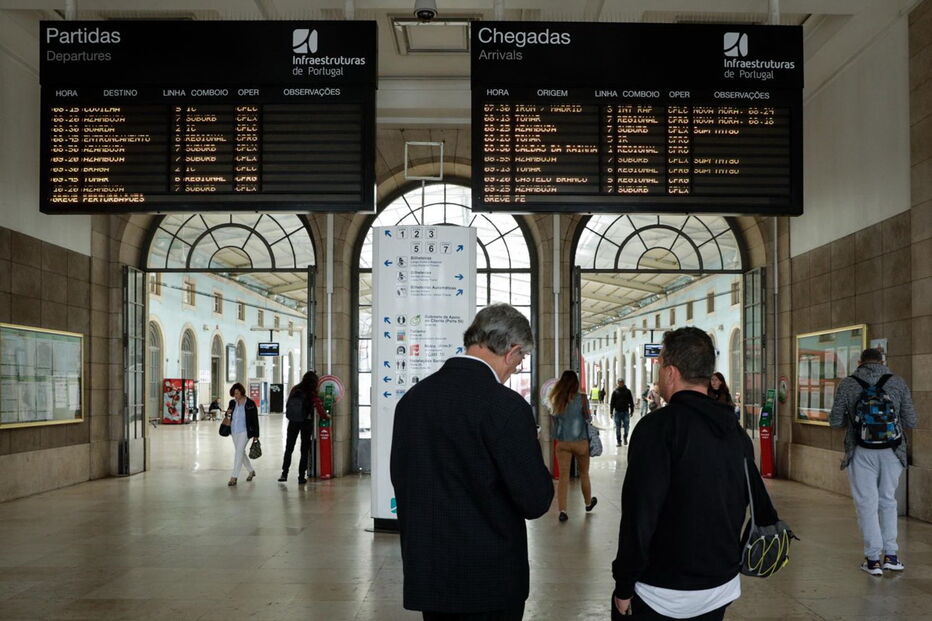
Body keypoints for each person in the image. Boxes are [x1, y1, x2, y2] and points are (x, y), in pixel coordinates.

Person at [390, 303, 554, 620]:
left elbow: (405, 481)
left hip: (431, 574)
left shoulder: (413, 401)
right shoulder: (506, 407)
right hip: (490, 580)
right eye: (520, 361)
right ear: (512, 350)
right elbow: (535, 500)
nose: (515, 369)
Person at [611, 327, 779, 620]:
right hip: (721, 586)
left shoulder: (657, 428)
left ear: (671, 372)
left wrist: (624, 585)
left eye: (660, 365)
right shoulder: (735, 431)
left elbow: (640, 515)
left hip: (663, 590)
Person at [829, 348, 916, 575]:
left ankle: (873, 560)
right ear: (883, 361)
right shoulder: (897, 382)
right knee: (888, 500)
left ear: (860, 362)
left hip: (860, 449)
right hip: (893, 450)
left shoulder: (848, 383)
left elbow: (836, 421)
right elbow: (911, 420)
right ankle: (892, 556)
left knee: (866, 504)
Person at [550, 370, 598, 522]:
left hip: (563, 442)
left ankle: (563, 511)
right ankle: (588, 503)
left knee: (563, 477)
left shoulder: (556, 398)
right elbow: (588, 417)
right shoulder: (582, 398)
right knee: (584, 473)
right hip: (581, 442)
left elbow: (554, 420)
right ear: (576, 383)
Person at [279, 371, 326, 485]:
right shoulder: (312, 392)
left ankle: (284, 474)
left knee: (289, 448)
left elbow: (288, 403)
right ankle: (301, 476)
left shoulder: (295, 388)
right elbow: (319, 408)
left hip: (293, 421)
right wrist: (325, 415)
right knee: (304, 450)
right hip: (306, 422)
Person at [225, 383, 259, 487]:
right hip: (234, 431)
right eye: (234, 394)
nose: (235, 395)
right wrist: (228, 413)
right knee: (240, 452)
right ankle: (251, 471)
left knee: (238, 452)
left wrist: (256, 435)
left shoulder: (250, 403)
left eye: (237, 393)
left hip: (245, 431)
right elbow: (228, 416)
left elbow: (255, 420)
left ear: (241, 392)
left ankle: (234, 477)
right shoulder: (232, 402)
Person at [610, 378, 635, 447]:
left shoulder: (628, 391)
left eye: (622, 382)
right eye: (619, 382)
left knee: (627, 426)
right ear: (618, 383)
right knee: (617, 427)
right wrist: (611, 412)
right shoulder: (615, 392)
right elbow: (612, 402)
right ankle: (619, 441)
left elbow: (631, 401)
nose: (621, 383)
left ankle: (625, 437)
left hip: (625, 412)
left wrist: (632, 410)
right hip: (617, 412)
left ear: (623, 383)